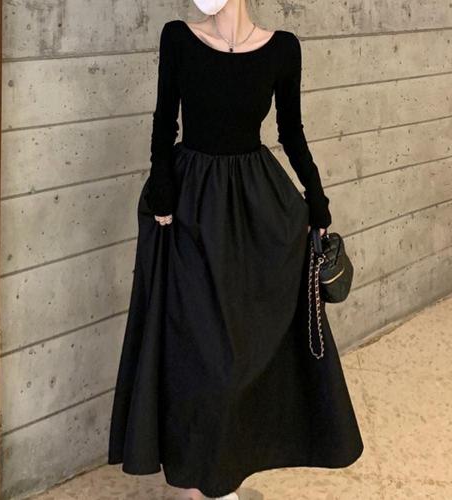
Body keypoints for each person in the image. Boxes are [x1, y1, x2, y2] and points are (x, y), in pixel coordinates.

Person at [108, 1, 364, 499]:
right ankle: (201, 480)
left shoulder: (282, 49)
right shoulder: (178, 37)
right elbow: (165, 122)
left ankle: (222, 473)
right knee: (198, 353)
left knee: (244, 351)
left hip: (254, 207)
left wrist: (316, 199)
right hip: (189, 209)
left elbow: (291, 131)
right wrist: (163, 188)